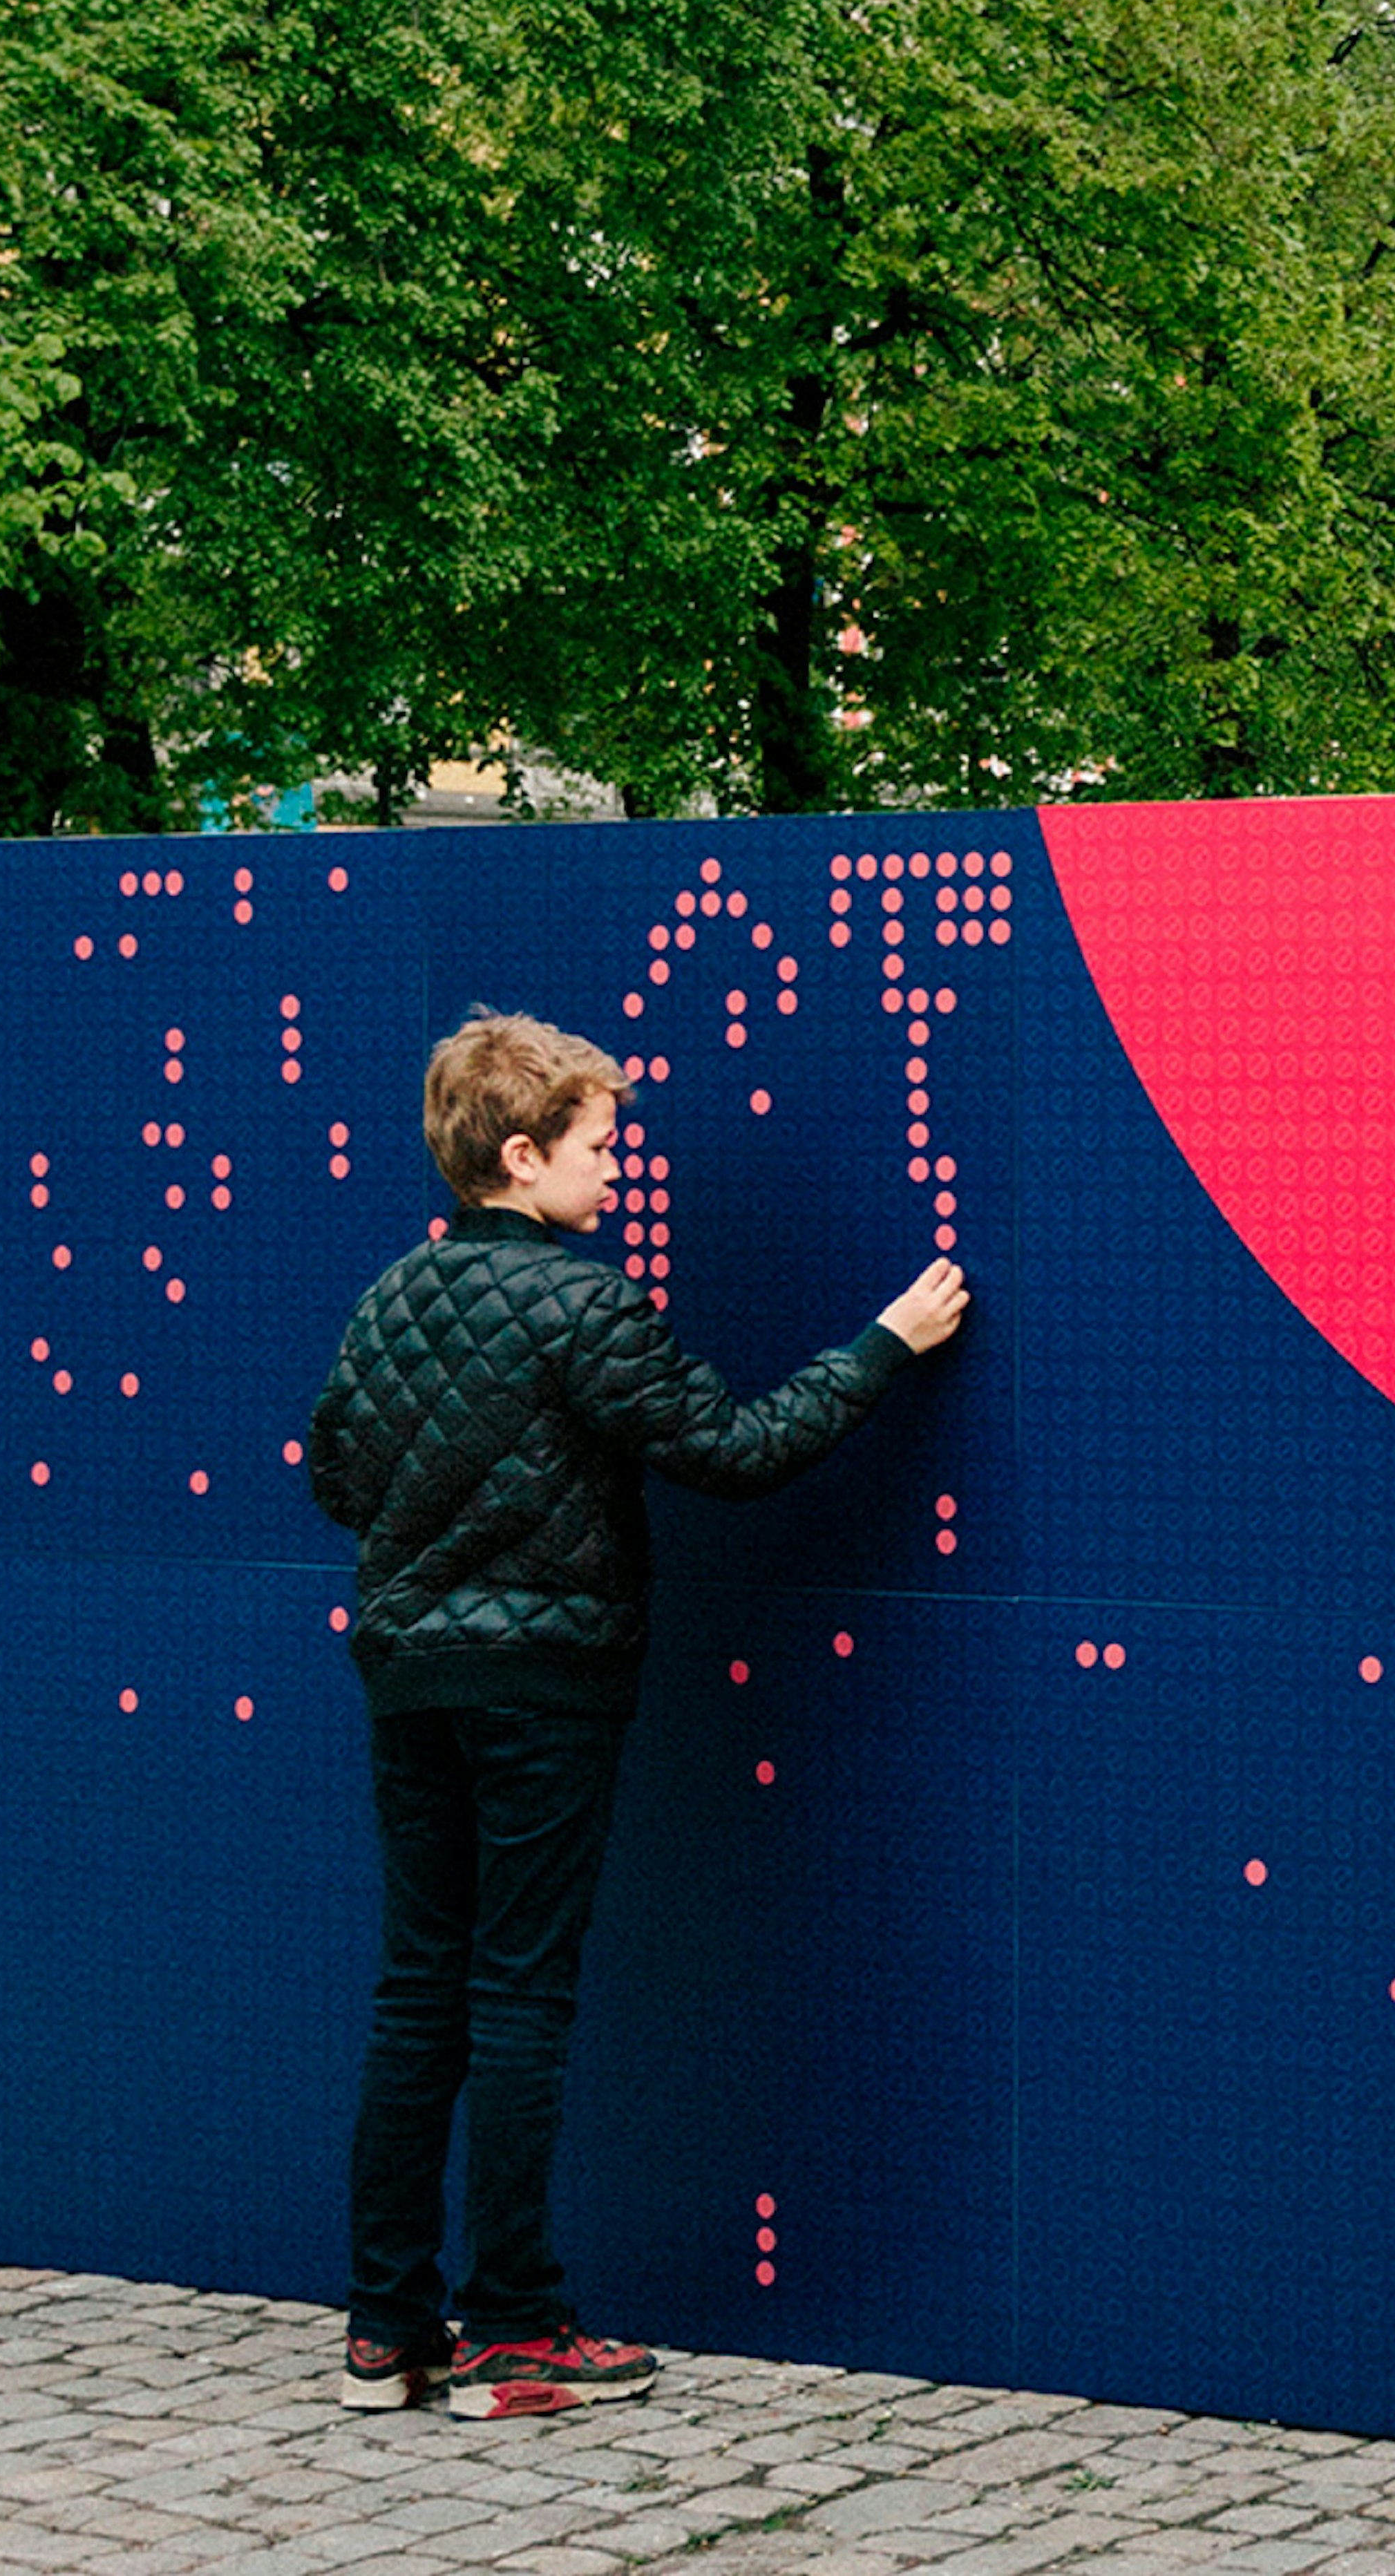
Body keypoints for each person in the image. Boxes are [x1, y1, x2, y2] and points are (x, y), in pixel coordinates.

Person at [307, 1010, 968, 2423]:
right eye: (601, 1146)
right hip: (546, 1689)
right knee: (518, 1992)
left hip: (408, 1677)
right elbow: (736, 1451)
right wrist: (887, 1345)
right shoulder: (584, 1305)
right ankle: (517, 2325)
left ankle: (386, 2327)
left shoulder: (386, 1297)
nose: (616, 1172)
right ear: (524, 1150)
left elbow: (336, 1475)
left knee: (418, 1989)